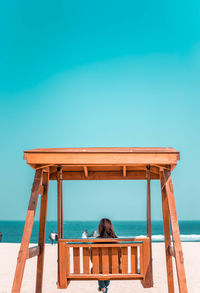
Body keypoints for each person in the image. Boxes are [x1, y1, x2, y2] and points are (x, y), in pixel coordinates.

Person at [97, 218, 117, 293]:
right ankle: (103, 287)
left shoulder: (96, 241)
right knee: (106, 269)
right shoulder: (116, 240)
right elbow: (119, 257)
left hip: (99, 269)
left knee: (99, 269)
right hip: (114, 268)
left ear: (100, 228)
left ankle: (102, 287)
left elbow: (92, 258)